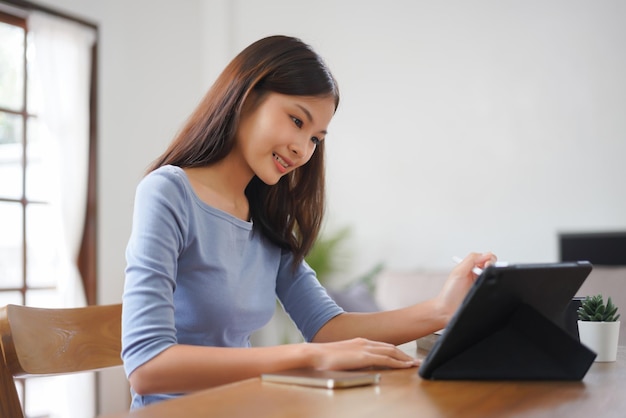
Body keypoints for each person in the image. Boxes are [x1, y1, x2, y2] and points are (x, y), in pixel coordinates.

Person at [121, 35, 496, 409]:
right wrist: (306, 357)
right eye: (296, 120)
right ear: (248, 97)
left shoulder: (266, 215)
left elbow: (327, 327)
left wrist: (442, 310)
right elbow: (147, 366)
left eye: (316, 138)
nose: (303, 150)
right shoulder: (169, 193)